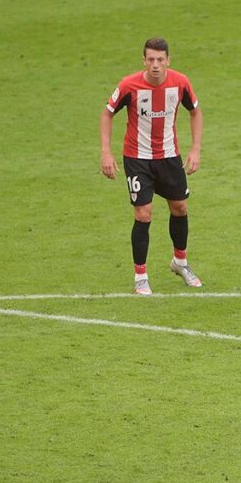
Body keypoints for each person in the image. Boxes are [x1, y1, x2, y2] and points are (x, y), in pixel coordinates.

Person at [99, 37, 204, 295]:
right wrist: (106, 152)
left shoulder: (180, 83)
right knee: (143, 214)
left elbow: (196, 111)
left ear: (168, 60)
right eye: (151, 60)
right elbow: (107, 113)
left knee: (179, 208)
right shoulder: (128, 85)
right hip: (138, 159)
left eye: (160, 60)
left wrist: (195, 148)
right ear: (144, 61)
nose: (155, 65)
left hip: (169, 157)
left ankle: (180, 262)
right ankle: (140, 275)